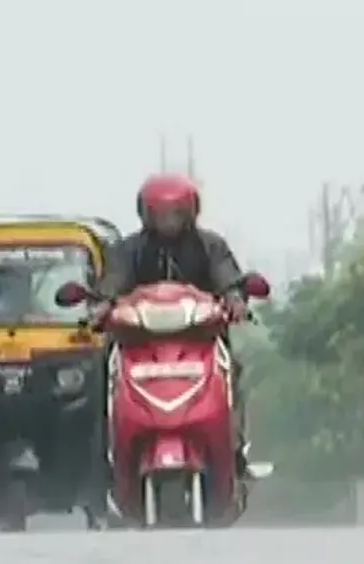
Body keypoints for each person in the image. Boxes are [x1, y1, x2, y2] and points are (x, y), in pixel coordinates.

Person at [96, 173, 253, 472]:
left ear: (190, 212)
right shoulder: (129, 249)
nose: (168, 221)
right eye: (160, 214)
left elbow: (226, 276)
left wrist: (234, 299)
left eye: (175, 213)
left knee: (232, 368)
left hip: (200, 337)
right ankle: (105, 455)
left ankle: (235, 446)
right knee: (101, 372)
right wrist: (103, 304)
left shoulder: (210, 245)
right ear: (145, 214)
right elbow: (114, 280)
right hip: (139, 341)